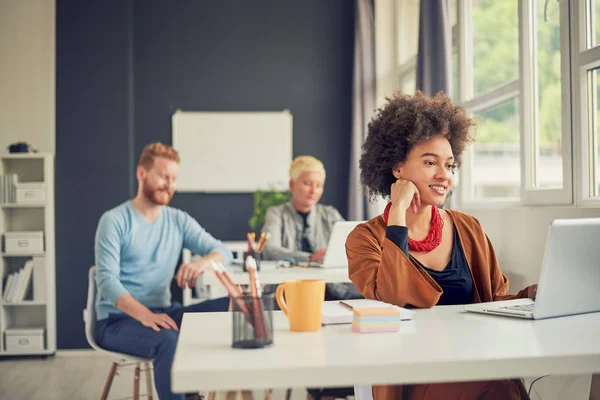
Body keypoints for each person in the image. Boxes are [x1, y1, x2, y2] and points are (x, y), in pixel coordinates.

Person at [346, 91, 537, 400]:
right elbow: (393, 298)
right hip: (412, 371)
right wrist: (398, 214)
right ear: (397, 168)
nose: (443, 175)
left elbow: (496, 300)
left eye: (449, 165)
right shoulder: (364, 238)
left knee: (500, 384)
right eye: (430, 162)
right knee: (498, 388)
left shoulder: (468, 227)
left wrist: (529, 297)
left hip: (474, 361)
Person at [94, 142, 232, 400]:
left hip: (164, 314)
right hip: (117, 320)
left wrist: (200, 263)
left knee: (231, 305)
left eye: (174, 178)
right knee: (169, 340)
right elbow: (106, 281)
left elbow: (221, 251)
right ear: (141, 173)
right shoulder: (114, 221)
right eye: (164, 176)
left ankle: (193, 392)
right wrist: (144, 314)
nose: (170, 184)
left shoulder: (178, 220)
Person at [262, 155, 361, 301]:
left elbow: (353, 243)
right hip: (288, 292)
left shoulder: (330, 214)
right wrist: (310, 258)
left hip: (331, 290)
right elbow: (270, 250)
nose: (313, 190)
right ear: (291, 184)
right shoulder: (276, 214)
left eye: (319, 185)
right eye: (307, 183)